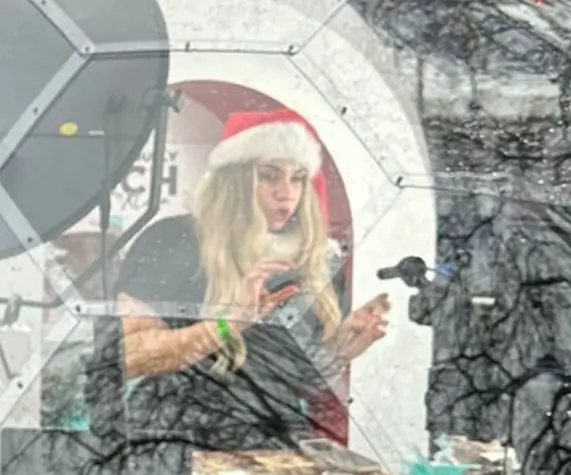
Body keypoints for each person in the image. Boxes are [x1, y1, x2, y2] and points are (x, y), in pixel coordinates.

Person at [115, 108, 390, 450]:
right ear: (233, 180)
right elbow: (127, 355)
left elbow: (289, 379)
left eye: (298, 178)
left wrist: (339, 352)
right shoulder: (173, 241)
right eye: (270, 176)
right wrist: (226, 326)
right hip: (174, 439)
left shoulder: (312, 260)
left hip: (270, 444)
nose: (286, 193)